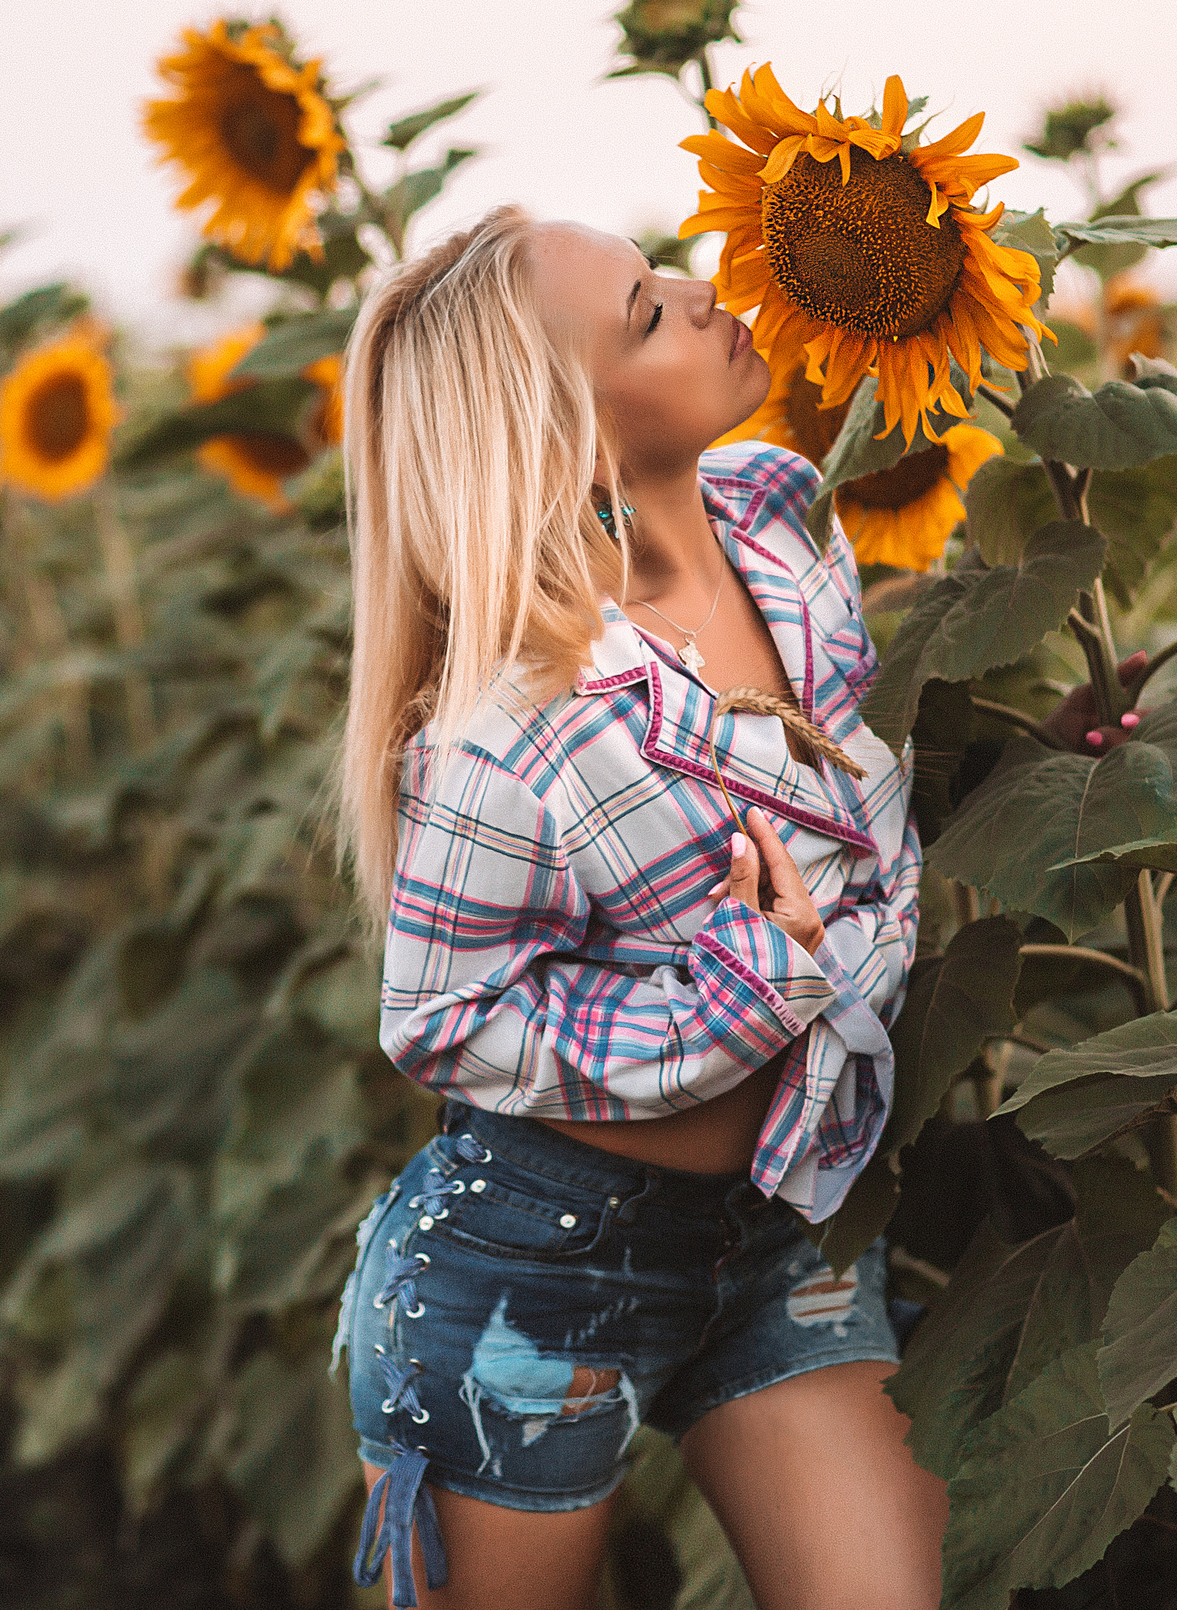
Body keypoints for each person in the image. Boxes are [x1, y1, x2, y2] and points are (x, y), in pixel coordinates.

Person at [331, 204, 945, 1610]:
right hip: (530, 1280)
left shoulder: (782, 527)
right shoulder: (512, 724)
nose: (702, 291)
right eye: (646, 312)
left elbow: (852, 796)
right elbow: (443, 1021)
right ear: (566, 433)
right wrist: (734, 998)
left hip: (784, 1226)